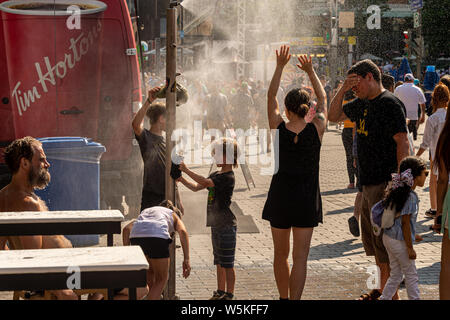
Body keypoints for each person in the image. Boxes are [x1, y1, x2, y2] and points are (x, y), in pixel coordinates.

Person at [329, 59, 410, 300]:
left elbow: (402, 142)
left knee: (385, 251)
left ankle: (384, 295)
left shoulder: (390, 104)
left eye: (356, 84)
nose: (355, 90)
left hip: (384, 185)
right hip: (367, 186)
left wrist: (399, 184)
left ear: (369, 77)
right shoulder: (361, 103)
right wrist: (343, 89)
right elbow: (333, 115)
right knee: (376, 249)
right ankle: (382, 294)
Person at [262, 46, 327, 300]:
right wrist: (311, 71)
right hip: (306, 198)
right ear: (306, 109)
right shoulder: (317, 128)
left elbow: (270, 98)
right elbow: (322, 100)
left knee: (280, 255)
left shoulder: (278, 127)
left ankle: (283, 298)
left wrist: (279, 66)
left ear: (287, 110)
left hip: (280, 196)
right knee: (301, 257)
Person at [0, 137, 78, 300]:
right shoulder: (28, 204)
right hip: (65, 275)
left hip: (67, 271)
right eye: (41, 160)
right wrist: (58, 291)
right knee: (137, 285)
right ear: (25, 163)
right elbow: (34, 260)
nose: (47, 164)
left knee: (103, 288)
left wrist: (15, 269)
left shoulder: (3, 197)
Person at [177, 138, 239, 300]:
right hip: (216, 225)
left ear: (226, 157)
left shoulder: (227, 177)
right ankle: (220, 291)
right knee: (218, 261)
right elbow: (197, 187)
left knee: (227, 263)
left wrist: (186, 169)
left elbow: (204, 182)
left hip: (226, 226)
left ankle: (229, 294)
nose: (214, 157)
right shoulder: (216, 174)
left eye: (216, 154)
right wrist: (182, 180)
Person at [379, 156, 428, 300]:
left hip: (388, 237)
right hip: (399, 241)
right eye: (425, 173)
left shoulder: (398, 190)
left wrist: (413, 235)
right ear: (415, 176)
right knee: (411, 275)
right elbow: (405, 223)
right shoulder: (410, 196)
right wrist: (410, 247)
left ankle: (384, 298)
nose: (426, 177)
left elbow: (401, 221)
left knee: (396, 275)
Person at [120, 200, 190, 300]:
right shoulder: (173, 215)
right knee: (162, 279)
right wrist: (186, 259)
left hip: (136, 237)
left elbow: (126, 229)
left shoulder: (147, 212)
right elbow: (183, 231)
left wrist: (128, 253)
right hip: (157, 237)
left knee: (150, 274)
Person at [132, 87, 184, 214]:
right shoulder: (146, 137)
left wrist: (179, 200)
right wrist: (149, 101)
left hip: (168, 196)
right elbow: (135, 124)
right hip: (151, 196)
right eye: (169, 118)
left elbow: (174, 174)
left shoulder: (169, 142)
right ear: (161, 119)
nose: (171, 122)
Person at [416, 84, 449, 219]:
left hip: (438, 158)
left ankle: (438, 214)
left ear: (434, 99)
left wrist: (415, 156)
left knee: (440, 185)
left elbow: (425, 142)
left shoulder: (433, 119)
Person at [431, 99, 450, 300]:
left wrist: (439, 212)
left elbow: (442, 179)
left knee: (447, 264)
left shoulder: (446, 136)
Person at [394, 73, 426, 140]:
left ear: (404, 80)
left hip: (401, 117)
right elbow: (422, 103)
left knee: (403, 136)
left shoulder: (398, 89)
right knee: (409, 136)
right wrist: (423, 115)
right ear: (412, 80)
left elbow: (394, 102)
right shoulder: (417, 89)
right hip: (413, 117)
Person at [341, 90, 357, 189]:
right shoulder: (357, 101)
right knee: (358, 156)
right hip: (357, 130)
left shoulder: (344, 102)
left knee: (349, 156)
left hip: (346, 130)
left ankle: (351, 182)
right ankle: (359, 180)